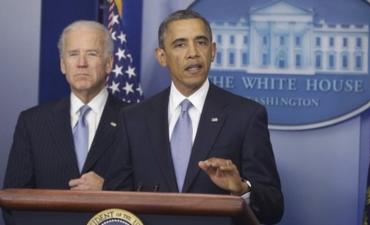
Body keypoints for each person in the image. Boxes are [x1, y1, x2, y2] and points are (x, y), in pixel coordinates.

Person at [105, 10, 284, 224]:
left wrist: (242, 190)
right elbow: (113, 203)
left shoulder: (246, 116)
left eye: (201, 42)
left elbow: (273, 207)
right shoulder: (133, 119)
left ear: (213, 51)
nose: (193, 53)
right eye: (180, 44)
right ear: (161, 57)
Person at [3, 20, 126, 191]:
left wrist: (108, 190)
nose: (81, 63)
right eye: (73, 54)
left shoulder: (135, 120)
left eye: (91, 54)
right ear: (63, 64)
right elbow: (13, 199)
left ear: (109, 64)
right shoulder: (32, 123)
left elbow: (149, 192)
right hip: (49, 219)